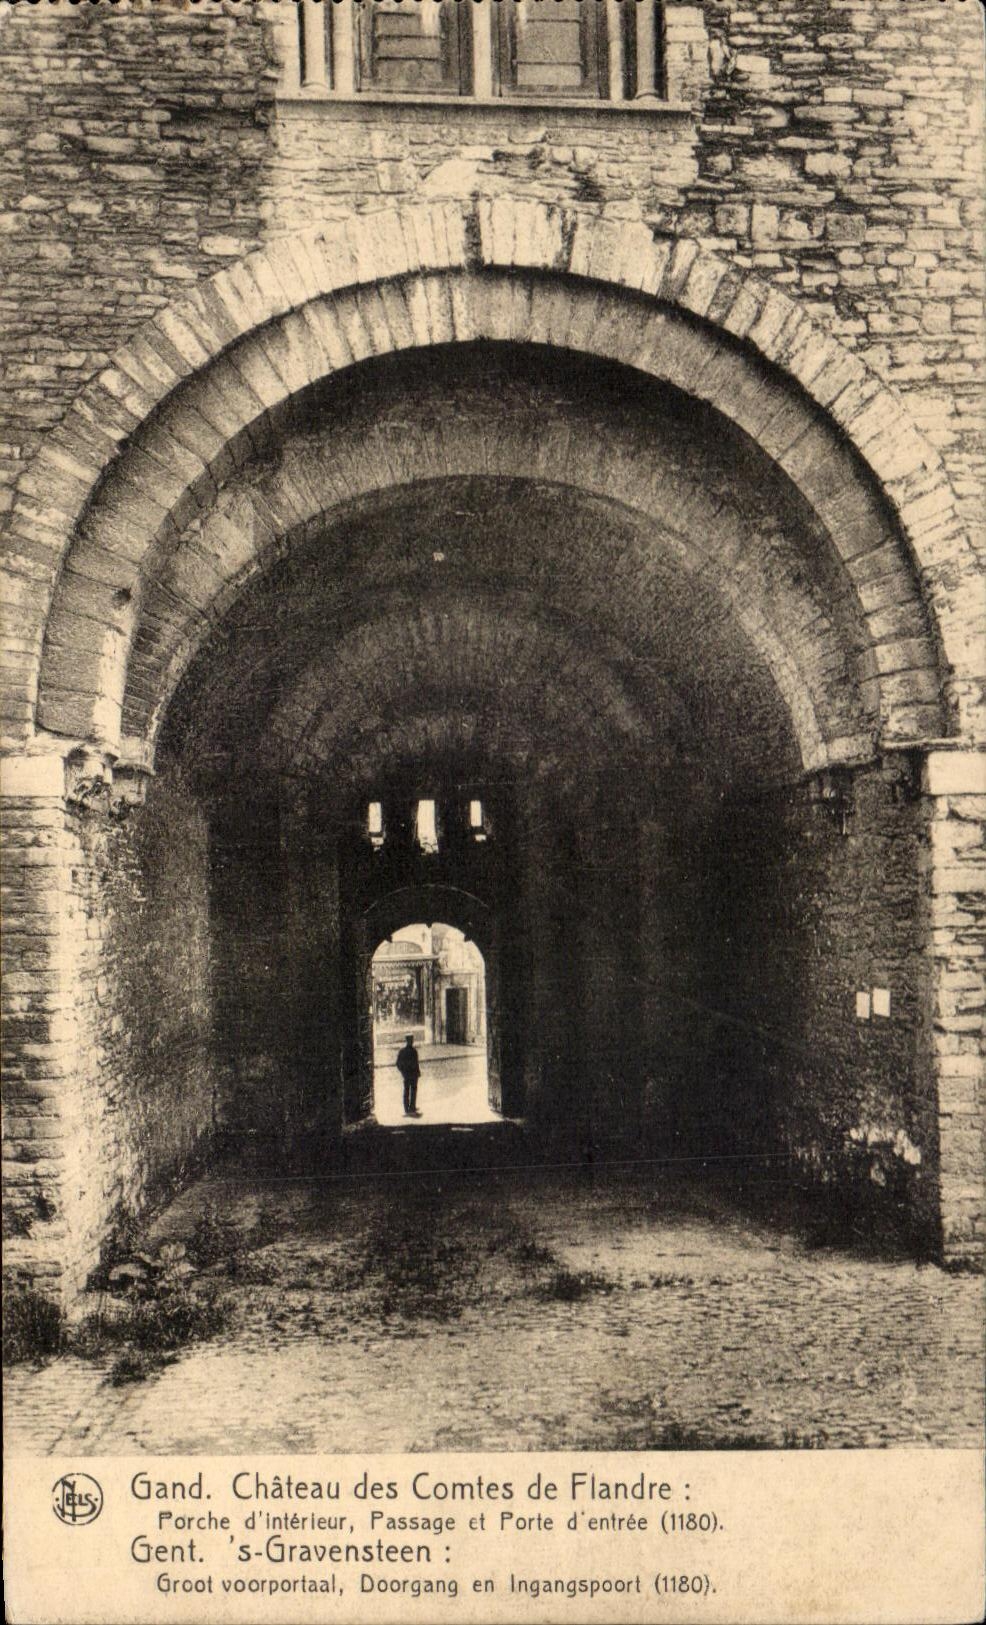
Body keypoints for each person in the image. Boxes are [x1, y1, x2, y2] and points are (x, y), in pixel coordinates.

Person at [395, 1034, 421, 1116]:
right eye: (411, 1040)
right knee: (413, 1091)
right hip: (413, 1075)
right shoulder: (414, 1051)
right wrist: (417, 1072)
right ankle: (411, 1107)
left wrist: (403, 1071)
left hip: (407, 1075)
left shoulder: (402, 1051)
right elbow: (416, 1064)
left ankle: (407, 1108)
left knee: (407, 1091)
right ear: (410, 1041)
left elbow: (398, 1063)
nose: (412, 1042)